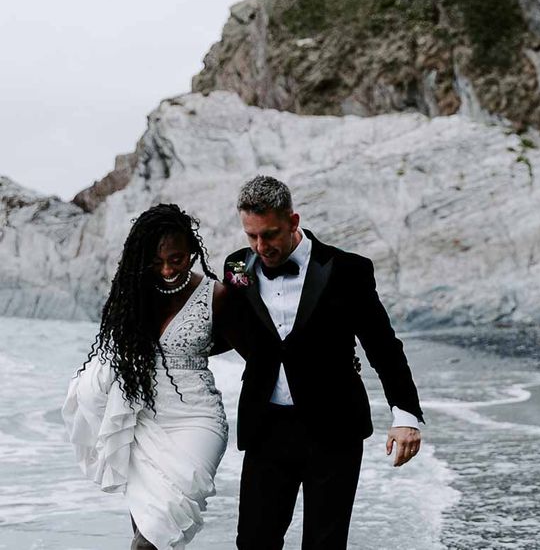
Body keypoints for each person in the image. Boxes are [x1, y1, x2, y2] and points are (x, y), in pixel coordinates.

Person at [216, 175, 424, 550]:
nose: (260, 246)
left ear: (293, 222)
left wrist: (405, 414)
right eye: (251, 236)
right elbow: (233, 333)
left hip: (334, 429)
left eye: (270, 234)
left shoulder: (347, 270)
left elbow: (383, 346)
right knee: (253, 542)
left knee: (325, 544)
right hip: (266, 428)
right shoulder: (237, 267)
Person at [62, 204, 232, 550]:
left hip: (197, 417)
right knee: (150, 536)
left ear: (192, 253)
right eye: (157, 262)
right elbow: (115, 350)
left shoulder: (216, 295)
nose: (168, 269)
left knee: (152, 538)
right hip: (142, 417)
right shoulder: (135, 293)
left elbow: (250, 345)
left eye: (177, 259)